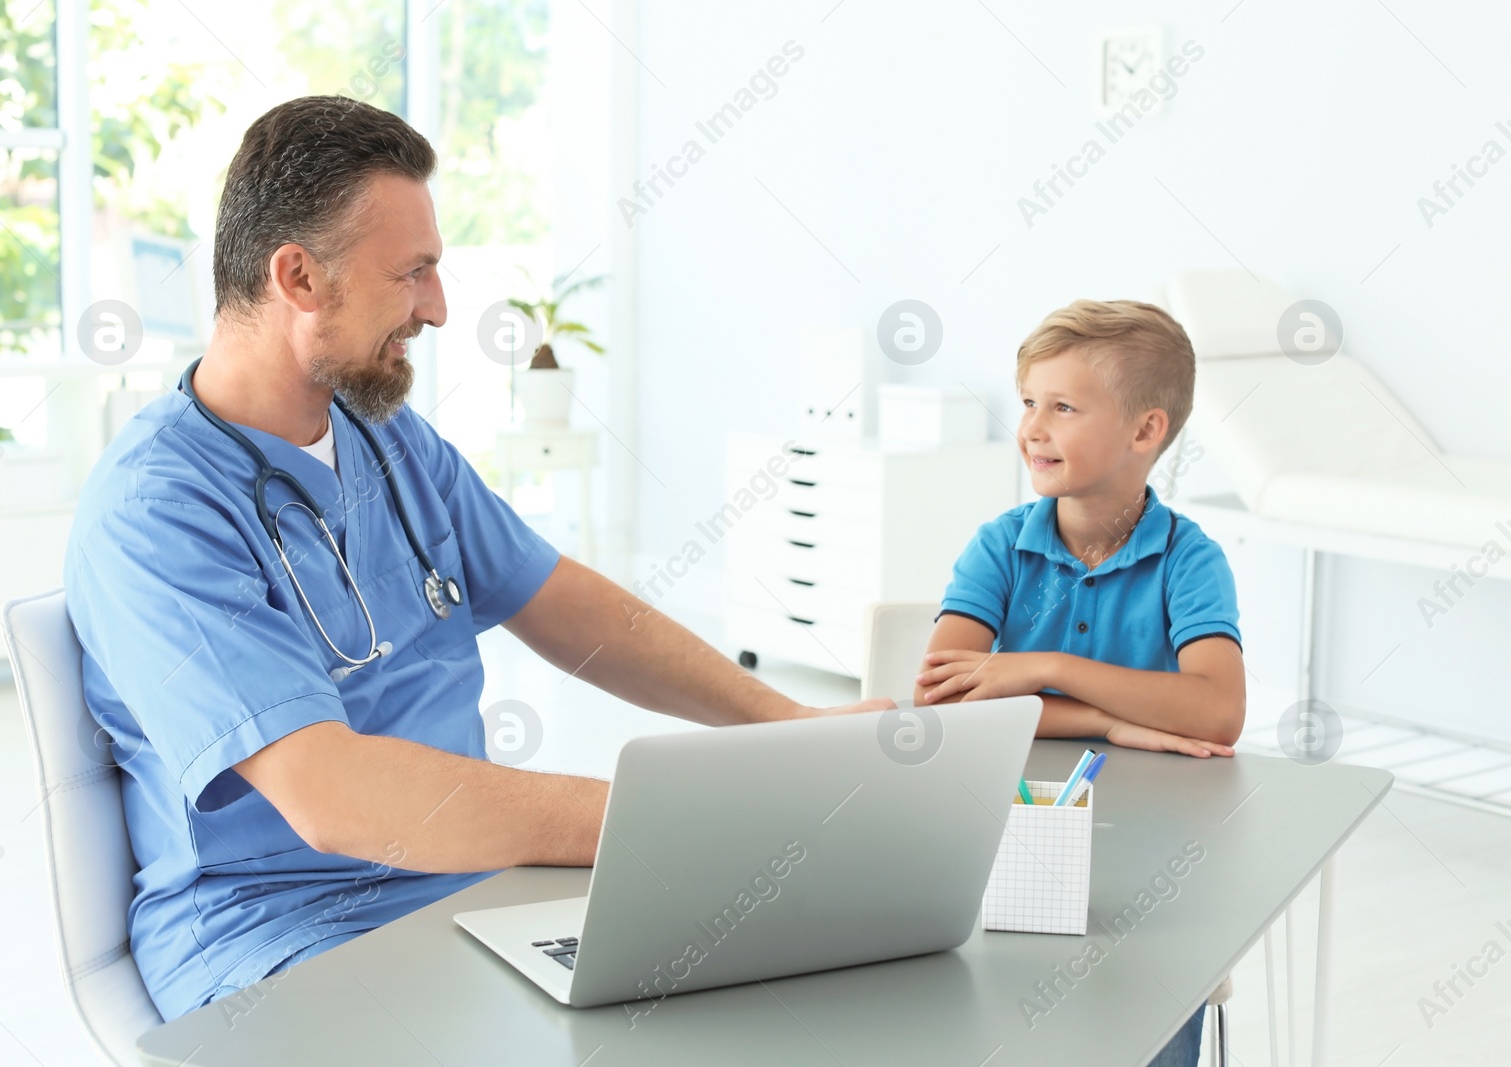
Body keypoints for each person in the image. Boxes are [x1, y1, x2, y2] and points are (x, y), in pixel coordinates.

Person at [63, 95, 887, 1021]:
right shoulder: (157, 510)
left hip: (464, 893)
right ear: (298, 277)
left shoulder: (388, 440)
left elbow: (564, 602)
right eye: (412, 274)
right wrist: (669, 821)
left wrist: (789, 728)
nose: (440, 308)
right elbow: (331, 794)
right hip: (276, 939)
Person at [913, 299, 1246, 1067]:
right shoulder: (1000, 546)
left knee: (1148, 1008)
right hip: (1002, 833)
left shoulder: (1190, 561)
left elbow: (1217, 712)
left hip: (1157, 850)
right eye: (1029, 401)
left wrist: (1044, 668)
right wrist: (1111, 719)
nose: (1033, 425)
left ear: (1145, 430)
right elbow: (943, 699)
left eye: (1063, 407)